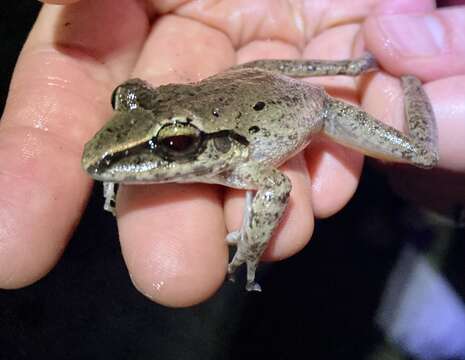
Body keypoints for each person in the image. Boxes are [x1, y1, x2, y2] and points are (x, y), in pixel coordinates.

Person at [0, 0, 463, 307]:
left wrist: (252, 243)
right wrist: (117, 170)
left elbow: (276, 183)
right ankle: (349, 66)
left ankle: (406, 80)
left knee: (420, 153)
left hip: (316, 109)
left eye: (176, 145)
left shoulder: (243, 164)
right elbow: (142, 102)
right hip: (247, 75)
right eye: (126, 100)